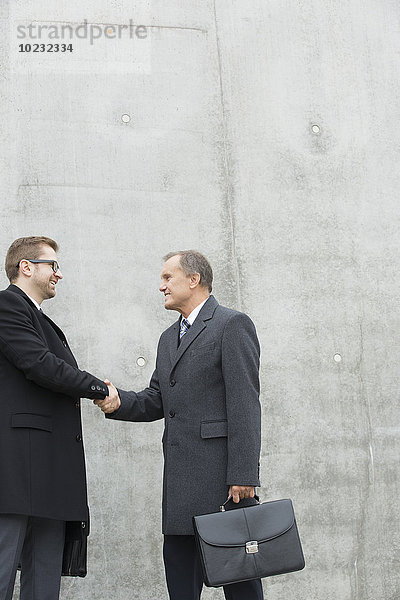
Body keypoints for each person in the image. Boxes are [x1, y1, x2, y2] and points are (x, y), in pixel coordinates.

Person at [96, 250, 264, 600]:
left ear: (193, 279)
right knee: (181, 584)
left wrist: (244, 474)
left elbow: (245, 404)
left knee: (241, 586)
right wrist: (118, 401)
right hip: (179, 489)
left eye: (167, 278)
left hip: (224, 486)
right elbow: (157, 398)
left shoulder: (232, 324)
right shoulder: (166, 338)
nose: (161, 286)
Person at [0, 236, 110, 600]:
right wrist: (99, 389)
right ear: (26, 267)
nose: (58, 275)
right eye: (53, 265)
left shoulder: (41, 320)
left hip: (48, 476)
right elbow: (40, 365)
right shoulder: (6, 307)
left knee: (44, 582)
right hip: (16, 475)